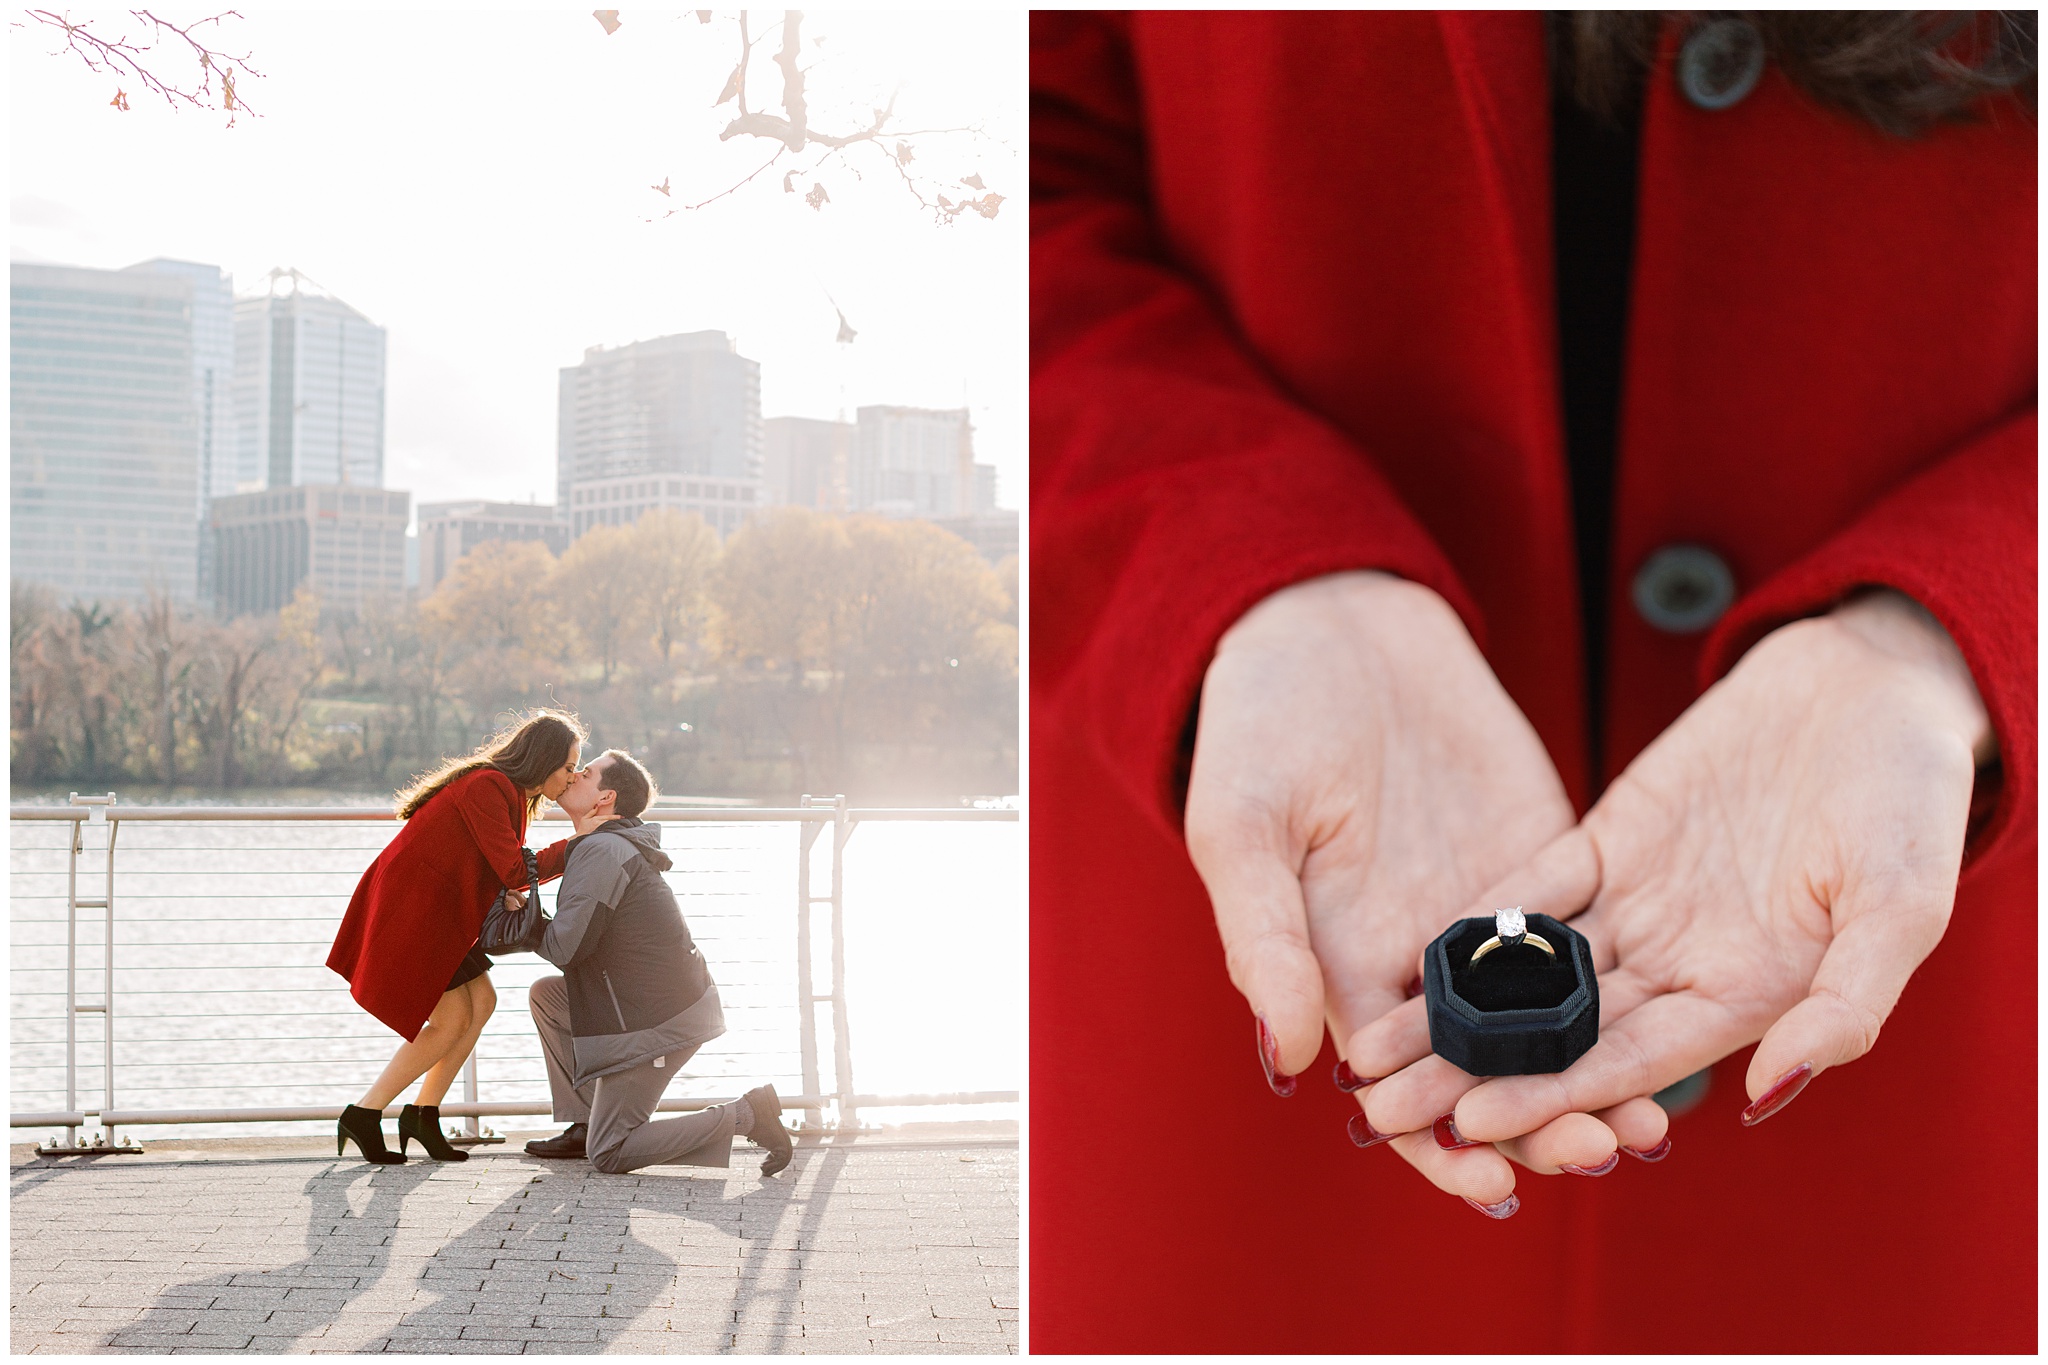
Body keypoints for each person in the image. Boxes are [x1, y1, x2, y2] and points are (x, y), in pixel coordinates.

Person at [1030, 10, 2032, 1354]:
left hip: (1939, 1076)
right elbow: (1016, 166)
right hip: (1249, 1063)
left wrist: (1974, 607)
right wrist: (1233, 552)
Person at [513, 748, 793, 1177]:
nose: (573, 777)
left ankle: (748, 1114)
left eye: (584, 773)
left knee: (609, 1154)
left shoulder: (604, 851)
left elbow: (564, 950)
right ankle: (585, 1123)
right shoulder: (598, 846)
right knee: (548, 996)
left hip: (657, 1022)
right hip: (646, 1006)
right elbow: (574, 942)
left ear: (605, 798)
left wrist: (521, 920)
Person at [326, 710, 582, 1164]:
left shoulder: (505, 791)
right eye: (567, 767)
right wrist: (581, 843)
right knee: (448, 1020)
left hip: (440, 912)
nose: (572, 777)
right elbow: (513, 868)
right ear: (543, 761)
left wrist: (505, 893)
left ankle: (422, 1115)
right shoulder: (489, 786)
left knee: (481, 1003)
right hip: (417, 911)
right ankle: (363, 1113)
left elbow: (493, 866)